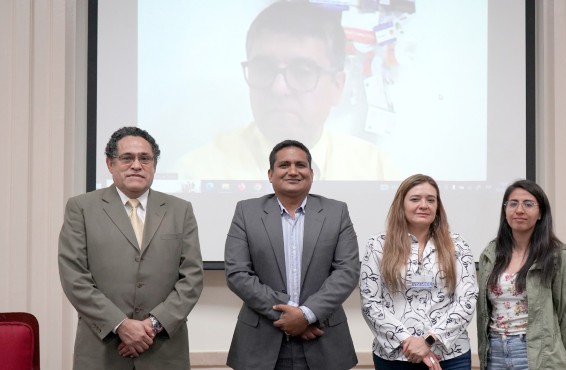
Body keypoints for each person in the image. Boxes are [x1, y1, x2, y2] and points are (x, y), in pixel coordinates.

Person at [175, 1, 398, 181]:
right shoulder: (197, 174)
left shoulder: (375, 172)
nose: (278, 89)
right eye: (264, 69)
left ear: (337, 86)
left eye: (302, 71)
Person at [58, 126, 204, 370]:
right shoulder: (81, 208)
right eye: (127, 158)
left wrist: (151, 327)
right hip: (103, 348)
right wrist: (121, 326)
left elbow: (192, 277)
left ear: (154, 165)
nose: (137, 165)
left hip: (164, 349)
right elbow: (74, 277)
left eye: (145, 158)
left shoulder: (180, 210)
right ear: (110, 163)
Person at [224, 139, 360, 369]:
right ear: (270, 174)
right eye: (284, 165)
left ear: (311, 173)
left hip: (323, 338)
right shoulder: (246, 212)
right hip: (261, 341)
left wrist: (306, 315)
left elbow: (347, 271)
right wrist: (291, 317)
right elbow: (237, 273)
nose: (293, 171)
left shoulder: (337, 212)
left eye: (301, 165)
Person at [360, 174, 477, 370]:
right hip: (395, 356)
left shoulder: (457, 245)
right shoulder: (378, 245)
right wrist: (408, 341)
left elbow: (467, 300)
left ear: (437, 206)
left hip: (450, 357)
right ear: (401, 205)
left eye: (431, 200)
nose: (424, 205)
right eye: (415, 199)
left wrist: (429, 341)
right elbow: (370, 302)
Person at [476, 179, 566, 370]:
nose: (519, 210)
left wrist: (554, 356)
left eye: (528, 204)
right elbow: (484, 312)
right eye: (513, 203)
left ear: (540, 213)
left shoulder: (556, 255)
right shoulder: (490, 254)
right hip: (495, 352)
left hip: (536, 354)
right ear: (505, 210)